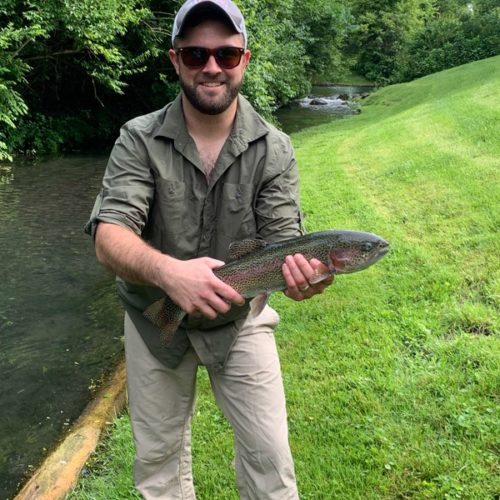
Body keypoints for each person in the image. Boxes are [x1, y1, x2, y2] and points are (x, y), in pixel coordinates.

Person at [85, 0, 333, 498]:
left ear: (245, 58)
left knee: (272, 462)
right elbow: (109, 235)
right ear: (175, 60)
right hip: (154, 320)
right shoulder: (138, 138)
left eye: (226, 53)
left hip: (240, 319)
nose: (212, 67)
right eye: (196, 54)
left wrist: (305, 279)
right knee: (158, 466)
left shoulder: (274, 148)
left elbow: (284, 243)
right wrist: (171, 275)